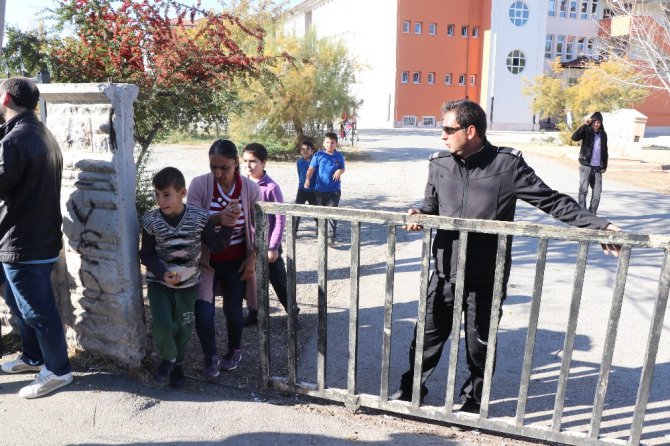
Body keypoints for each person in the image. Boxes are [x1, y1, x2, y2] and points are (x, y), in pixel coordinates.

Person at [390, 99, 621, 414]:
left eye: (448, 129)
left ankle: (474, 400)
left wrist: (600, 226)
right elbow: (432, 203)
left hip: (486, 277)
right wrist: (419, 211)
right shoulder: (439, 164)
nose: (442, 136)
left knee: (479, 346)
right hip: (444, 273)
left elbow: (553, 201)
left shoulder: (507, 166)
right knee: (426, 339)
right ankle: (410, 392)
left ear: (470, 130)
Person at [0, 77, 73, 398]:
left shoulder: (15, 140)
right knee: (17, 301)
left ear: (5, 98)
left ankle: (58, 370)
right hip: (36, 236)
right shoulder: (40, 132)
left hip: (23, 241)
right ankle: (33, 356)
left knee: (36, 309)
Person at [139, 167, 239, 387]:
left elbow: (217, 246)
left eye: (166, 195)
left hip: (188, 286)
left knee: (183, 329)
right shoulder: (151, 220)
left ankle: (178, 365)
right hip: (159, 284)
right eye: (157, 194)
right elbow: (145, 254)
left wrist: (229, 226)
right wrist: (162, 273)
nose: (161, 201)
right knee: (163, 325)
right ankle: (169, 359)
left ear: (182, 192)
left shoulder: (199, 218)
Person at [187, 140, 261, 377]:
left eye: (224, 168)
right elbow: (191, 221)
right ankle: (210, 356)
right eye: (213, 168)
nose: (218, 174)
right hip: (206, 261)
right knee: (204, 312)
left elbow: (262, 228)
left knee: (233, 310)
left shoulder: (250, 189)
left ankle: (234, 350)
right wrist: (218, 218)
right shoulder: (199, 185)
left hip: (236, 260)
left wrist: (253, 258)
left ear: (236, 164)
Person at [242, 143, 299, 321]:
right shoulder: (243, 184)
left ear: (264, 162)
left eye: (253, 161)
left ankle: (292, 312)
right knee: (252, 281)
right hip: (250, 245)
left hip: (268, 245)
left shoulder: (271, 187)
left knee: (279, 281)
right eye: (245, 161)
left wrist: (273, 246)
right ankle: (254, 312)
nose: (248, 165)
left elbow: (280, 219)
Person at [304, 132, 345, 247]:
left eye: (332, 142)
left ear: (336, 143)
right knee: (321, 213)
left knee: (332, 213)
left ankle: (331, 238)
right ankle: (322, 235)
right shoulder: (318, 155)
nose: (330, 144)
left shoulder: (339, 156)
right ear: (324, 143)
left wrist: (339, 171)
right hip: (319, 191)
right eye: (327, 142)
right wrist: (307, 179)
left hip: (334, 191)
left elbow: (342, 168)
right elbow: (311, 169)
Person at [572, 112, 609, 214]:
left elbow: (605, 151)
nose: (596, 124)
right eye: (594, 122)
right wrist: (585, 125)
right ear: (591, 122)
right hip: (586, 166)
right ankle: (583, 213)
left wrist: (604, 165)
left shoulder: (603, 135)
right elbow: (574, 137)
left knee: (597, 193)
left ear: (601, 123)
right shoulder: (586, 131)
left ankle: (592, 213)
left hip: (598, 168)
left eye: (599, 122)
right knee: (583, 191)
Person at [295, 140, 317, 232]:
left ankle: (320, 227)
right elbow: (300, 175)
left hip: (313, 191)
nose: (305, 151)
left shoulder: (315, 161)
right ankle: (294, 229)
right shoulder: (299, 162)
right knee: (296, 210)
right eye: (303, 149)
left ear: (312, 151)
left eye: (308, 149)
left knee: (315, 211)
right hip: (302, 190)